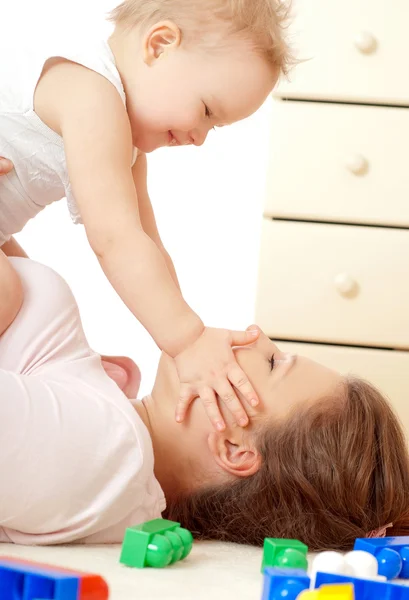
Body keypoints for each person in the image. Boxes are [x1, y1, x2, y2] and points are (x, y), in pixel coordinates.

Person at [0, 0, 292, 430]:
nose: (199, 139)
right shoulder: (90, 93)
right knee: (8, 288)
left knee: (31, 288)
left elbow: (146, 242)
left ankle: (46, 376)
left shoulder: (125, 140)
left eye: (215, 128)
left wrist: (187, 331)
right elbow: (115, 239)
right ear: (159, 45)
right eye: (207, 111)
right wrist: (187, 340)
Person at [1, 254, 409, 549]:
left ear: (233, 447)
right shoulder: (110, 417)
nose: (255, 332)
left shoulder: (99, 447)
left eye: (271, 363)